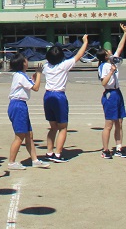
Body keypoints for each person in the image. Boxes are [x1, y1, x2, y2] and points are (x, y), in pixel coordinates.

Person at [42, 34, 89, 162]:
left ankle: (49, 152)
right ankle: (58, 154)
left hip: (47, 96)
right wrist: (85, 42)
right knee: (63, 127)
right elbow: (79, 56)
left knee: (53, 127)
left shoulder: (46, 67)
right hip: (59, 96)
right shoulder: (64, 65)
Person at [7, 53, 49, 170]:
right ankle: (11, 162)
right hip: (18, 105)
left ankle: (34, 160)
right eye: (25, 60)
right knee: (19, 136)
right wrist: (39, 74)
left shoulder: (20, 75)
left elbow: (31, 82)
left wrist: (36, 75)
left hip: (19, 105)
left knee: (29, 135)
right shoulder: (21, 76)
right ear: (22, 63)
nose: (27, 61)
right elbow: (35, 88)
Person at [97, 23, 126, 159]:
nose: (110, 52)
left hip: (117, 93)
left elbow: (120, 47)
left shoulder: (112, 61)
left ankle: (119, 148)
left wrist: (125, 33)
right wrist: (111, 72)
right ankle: (105, 150)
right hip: (110, 94)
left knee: (119, 122)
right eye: (107, 52)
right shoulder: (104, 66)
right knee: (109, 124)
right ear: (105, 56)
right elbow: (103, 83)